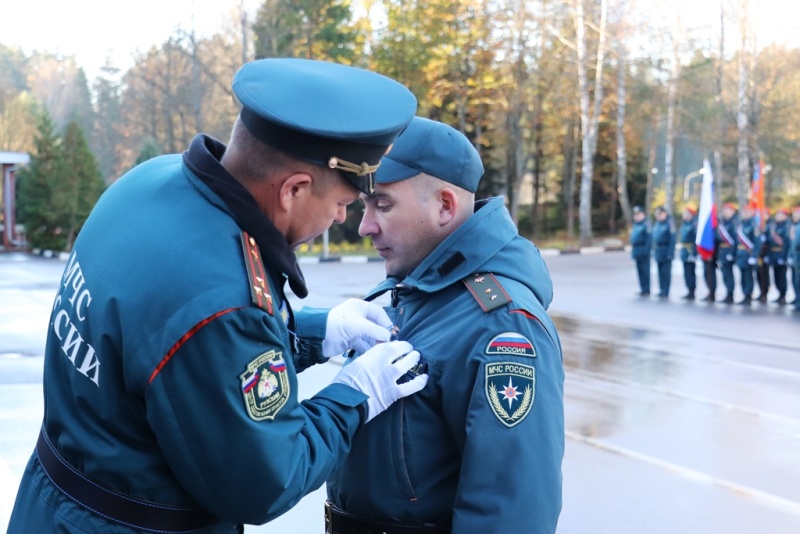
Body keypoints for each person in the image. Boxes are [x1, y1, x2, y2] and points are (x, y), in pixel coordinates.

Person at [8, 58, 429, 534]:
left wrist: (311, 332)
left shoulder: (150, 184)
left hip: (54, 502)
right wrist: (353, 397)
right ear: (293, 189)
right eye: (341, 204)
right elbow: (266, 481)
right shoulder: (223, 301)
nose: (340, 220)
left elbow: (171, 349)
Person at [325, 117, 565, 533]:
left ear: (445, 206)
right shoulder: (412, 292)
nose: (365, 226)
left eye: (382, 204)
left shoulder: (502, 324)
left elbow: (509, 513)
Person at [765, 208, 792, 305]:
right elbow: (769, 243)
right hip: (773, 254)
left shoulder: (787, 227)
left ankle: (783, 295)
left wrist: (784, 257)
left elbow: (786, 244)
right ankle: (779, 294)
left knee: (782, 276)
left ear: (785, 216)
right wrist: (768, 255)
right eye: (777, 215)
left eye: (780, 215)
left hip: (781, 254)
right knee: (775, 276)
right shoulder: (774, 227)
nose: (778, 216)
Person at [735, 205, 759, 305]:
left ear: (752, 213)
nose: (745, 214)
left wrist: (753, 256)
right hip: (740, 254)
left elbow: (757, 243)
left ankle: (748, 295)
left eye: (747, 212)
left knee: (748, 277)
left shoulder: (754, 226)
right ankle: (744, 295)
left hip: (748, 254)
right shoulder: (741, 225)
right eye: (744, 212)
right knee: (742, 276)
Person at [652, 206, 676, 299]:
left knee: (666, 272)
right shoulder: (657, 224)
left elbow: (672, 241)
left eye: (660, 214)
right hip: (658, 251)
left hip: (666, 250)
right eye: (657, 215)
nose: (658, 216)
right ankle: (661, 289)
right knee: (660, 272)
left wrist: (670, 253)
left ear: (665, 214)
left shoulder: (669, 224)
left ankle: (665, 290)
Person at [716, 203, 738, 304]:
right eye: (724, 211)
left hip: (729, 250)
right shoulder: (723, 223)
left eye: (727, 211)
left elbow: (735, 240)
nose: (725, 213)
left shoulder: (734, 223)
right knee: (724, 274)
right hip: (722, 251)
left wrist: (732, 253)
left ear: (732, 212)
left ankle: (730, 294)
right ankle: (727, 293)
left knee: (729, 274)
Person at [630, 205, 652, 296]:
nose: (637, 216)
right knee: (639, 271)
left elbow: (648, 240)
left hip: (643, 250)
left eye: (639, 214)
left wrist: (645, 251)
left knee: (645, 271)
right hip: (637, 250)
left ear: (643, 215)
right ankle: (642, 288)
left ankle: (646, 289)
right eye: (635, 215)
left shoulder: (646, 225)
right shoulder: (636, 225)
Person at [678, 206, 698, 300]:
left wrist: (694, 254)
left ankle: (692, 291)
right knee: (686, 272)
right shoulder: (684, 224)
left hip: (690, 251)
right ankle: (688, 290)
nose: (684, 215)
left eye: (686, 214)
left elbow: (695, 241)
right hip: (684, 251)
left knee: (690, 272)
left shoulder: (693, 225)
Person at [790, 206, 800, 312]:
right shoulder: (796, 226)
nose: (794, 216)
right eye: (794, 214)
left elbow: (796, 243)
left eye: (797, 214)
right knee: (796, 281)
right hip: (796, 257)